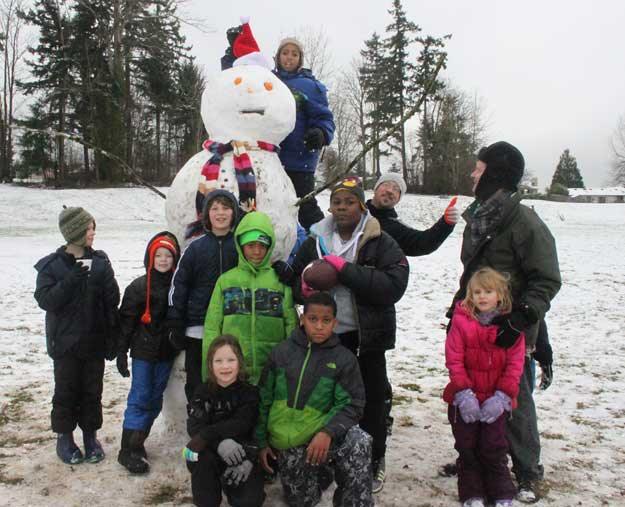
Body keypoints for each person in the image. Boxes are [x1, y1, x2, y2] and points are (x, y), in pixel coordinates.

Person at [448, 141, 561, 503]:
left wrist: (522, 318)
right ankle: (478, 456)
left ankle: (528, 471)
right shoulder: (479, 216)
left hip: (511, 332)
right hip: (474, 327)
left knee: (515, 400)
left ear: (493, 174)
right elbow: (473, 274)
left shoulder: (524, 221)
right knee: (473, 393)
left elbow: (546, 278)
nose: (472, 174)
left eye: (478, 168)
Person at [291, 175, 409, 493]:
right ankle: (330, 455)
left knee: (370, 400)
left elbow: (394, 285)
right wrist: (302, 287)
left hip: (366, 337)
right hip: (326, 336)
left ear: (361, 205)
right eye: (337, 202)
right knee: (327, 398)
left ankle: (373, 459)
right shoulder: (315, 239)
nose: (342, 208)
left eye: (349, 202)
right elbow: (294, 283)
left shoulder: (379, 239)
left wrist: (345, 270)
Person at [257, 292, 373, 507]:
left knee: (359, 441)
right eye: (313, 319)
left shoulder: (344, 359)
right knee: (301, 500)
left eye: (326, 320)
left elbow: (353, 404)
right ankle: (321, 473)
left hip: (322, 435)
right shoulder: (281, 353)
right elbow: (264, 399)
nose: (319, 326)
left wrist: (327, 431)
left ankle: (354, 501)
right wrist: (262, 441)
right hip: (289, 442)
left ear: (335, 323)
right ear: (302, 319)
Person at [366, 171, 460, 434]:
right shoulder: (353, 211)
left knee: (374, 372)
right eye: (387, 186)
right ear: (376, 188)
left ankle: (379, 422)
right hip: (340, 308)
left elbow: (422, 242)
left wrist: (445, 223)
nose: (390, 192)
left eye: (397, 191)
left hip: (374, 312)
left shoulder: (393, 228)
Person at [222, 23, 335, 230]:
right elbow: (238, 80)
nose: (289, 57)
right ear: (278, 56)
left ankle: (327, 242)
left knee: (302, 206)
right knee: (264, 204)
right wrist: (233, 52)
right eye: (285, 53)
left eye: (294, 54)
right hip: (267, 157)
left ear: (300, 59)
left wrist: (320, 133)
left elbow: (324, 119)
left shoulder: (310, 86)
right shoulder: (267, 79)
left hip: (299, 159)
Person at [34, 206, 120, 465]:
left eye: (93, 228)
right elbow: (46, 300)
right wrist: (71, 280)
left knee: (92, 392)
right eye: (89, 228)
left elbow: (111, 303)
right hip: (65, 345)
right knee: (66, 391)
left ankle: (90, 437)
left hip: (93, 343)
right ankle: (64, 438)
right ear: (75, 232)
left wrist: (106, 276)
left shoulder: (100, 261)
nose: (93, 233)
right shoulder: (51, 266)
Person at [444, 268, 525, 507]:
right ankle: (472, 494)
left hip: (495, 400)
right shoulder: (460, 322)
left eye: (488, 291)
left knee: (494, 448)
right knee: (467, 447)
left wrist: (502, 397)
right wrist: (463, 392)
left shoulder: (511, 327)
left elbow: (515, 364)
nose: (482, 296)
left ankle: (501, 494)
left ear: (499, 295)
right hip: (465, 399)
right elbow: (454, 359)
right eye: (477, 291)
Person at [202, 210, 298, 385]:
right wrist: (209, 373)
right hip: (233, 372)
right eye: (250, 245)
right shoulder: (226, 281)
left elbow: (291, 325)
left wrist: (291, 367)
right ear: (241, 246)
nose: (256, 251)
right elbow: (212, 327)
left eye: (262, 246)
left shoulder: (279, 282)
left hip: (271, 371)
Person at [116, 232, 181, 474]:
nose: (163, 260)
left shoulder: (177, 287)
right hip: (143, 352)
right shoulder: (139, 287)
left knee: (154, 399)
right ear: (150, 257)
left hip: (165, 353)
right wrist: (121, 352)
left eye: (168, 256)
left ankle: (137, 443)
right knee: (140, 398)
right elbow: (126, 323)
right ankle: (126, 449)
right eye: (159, 255)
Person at [167, 190, 240, 402]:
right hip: (197, 327)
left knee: (229, 379)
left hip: (230, 324)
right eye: (214, 208)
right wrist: (175, 321)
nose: (220, 213)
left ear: (233, 213)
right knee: (197, 379)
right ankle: (197, 420)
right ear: (206, 214)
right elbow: (178, 285)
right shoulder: (195, 248)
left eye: (225, 208)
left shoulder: (240, 247)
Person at [184, 334, 265, 507]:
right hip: (209, 451)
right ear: (210, 365)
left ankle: (235, 488)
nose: (225, 366)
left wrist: (250, 458)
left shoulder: (250, 393)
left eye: (231, 360)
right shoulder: (202, 392)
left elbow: (244, 424)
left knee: (249, 501)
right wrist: (218, 444)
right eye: (218, 361)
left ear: (240, 362)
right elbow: (194, 426)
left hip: (241, 453)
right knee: (192, 454)